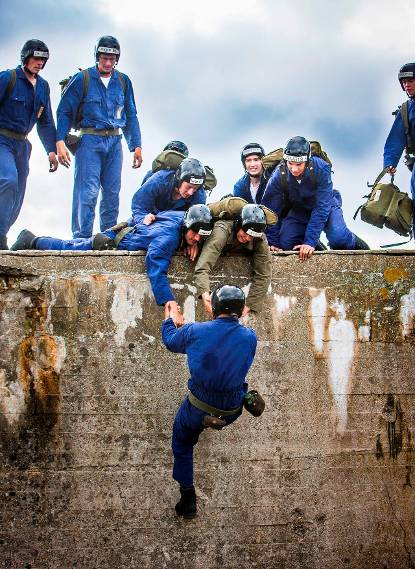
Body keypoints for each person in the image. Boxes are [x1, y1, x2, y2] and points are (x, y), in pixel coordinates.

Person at [11, 204, 213, 326]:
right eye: (194, 234)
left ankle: (32, 239)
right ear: (186, 226)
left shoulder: (182, 217)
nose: (197, 238)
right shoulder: (167, 238)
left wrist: (192, 243)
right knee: (72, 247)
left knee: (75, 244)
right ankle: (32, 241)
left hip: (127, 229)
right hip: (114, 241)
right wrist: (170, 303)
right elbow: (155, 267)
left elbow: (193, 231)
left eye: (200, 236)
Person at [161, 285, 257, 518]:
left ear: (214, 307)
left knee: (183, 442)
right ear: (240, 310)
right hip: (232, 409)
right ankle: (220, 415)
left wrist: (171, 320)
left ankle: (188, 498)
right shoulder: (250, 337)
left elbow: (170, 341)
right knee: (236, 383)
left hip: (198, 407)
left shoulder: (195, 331)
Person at [56, 35, 142, 238]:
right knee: (88, 191)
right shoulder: (82, 79)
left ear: (117, 59)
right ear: (97, 57)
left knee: (112, 193)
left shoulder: (123, 81)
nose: (108, 62)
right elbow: (64, 111)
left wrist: (136, 145)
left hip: (115, 142)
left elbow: (131, 114)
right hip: (89, 141)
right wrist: (59, 141)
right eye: (104, 58)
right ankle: (81, 239)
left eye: (112, 59)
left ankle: (107, 238)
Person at [261, 136, 369, 260]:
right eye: (290, 163)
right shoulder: (279, 175)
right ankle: (318, 248)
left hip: (326, 205)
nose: (294, 169)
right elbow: (270, 210)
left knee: (338, 237)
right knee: (286, 243)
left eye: (299, 164)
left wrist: (309, 241)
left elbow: (322, 207)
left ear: (307, 161)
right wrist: (272, 242)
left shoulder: (321, 167)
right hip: (300, 209)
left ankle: (362, 248)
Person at [0, 40, 58, 250]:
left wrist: (51, 150)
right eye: (36, 58)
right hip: (2, 139)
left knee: (18, 193)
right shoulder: (8, 78)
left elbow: (46, 122)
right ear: (25, 57)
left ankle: (2, 232)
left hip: (22, 145)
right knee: (8, 180)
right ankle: (0, 238)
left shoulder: (43, 86)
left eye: (43, 59)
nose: (40, 63)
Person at [194, 203, 272, 317]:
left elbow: (264, 274)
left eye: (252, 236)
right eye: (246, 233)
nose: (247, 238)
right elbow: (203, 267)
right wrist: (205, 296)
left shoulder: (259, 238)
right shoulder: (221, 232)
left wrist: (249, 305)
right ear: (239, 224)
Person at [383, 62, 415, 238]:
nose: (406, 85)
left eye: (410, 80)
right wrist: (389, 162)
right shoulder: (406, 110)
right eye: (404, 82)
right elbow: (395, 139)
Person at [131, 157, 206, 226]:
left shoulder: (199, 195)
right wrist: (143, 218)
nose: (191, 192)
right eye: (188, 187)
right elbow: (139, 206)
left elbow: (195, 221)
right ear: (179, 179)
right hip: (149, 217)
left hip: (174, 224)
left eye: (196, 188)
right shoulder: (159, 180)